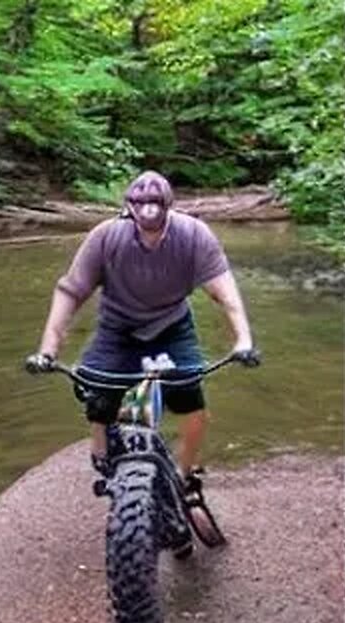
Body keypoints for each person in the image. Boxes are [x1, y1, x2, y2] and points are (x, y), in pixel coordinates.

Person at [24, 171, 259, 499]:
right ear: (128, 208)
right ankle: (103, 454)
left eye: (156, 206)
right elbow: (71, 291)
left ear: (168, 207)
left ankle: (185, 470)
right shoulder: (105, 237)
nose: (148, 213)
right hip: (117, 327)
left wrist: (243, 339)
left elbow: (224, 292)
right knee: (97, 393)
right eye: (141, 205)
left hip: (172, 326)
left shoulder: (193, 235)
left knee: (191, 399)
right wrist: (48, 348)